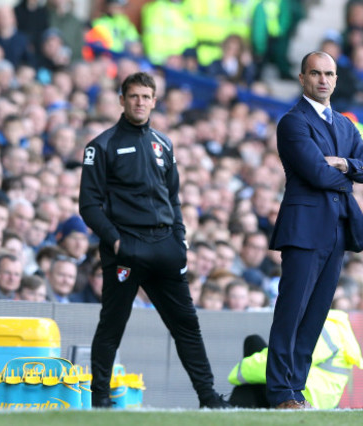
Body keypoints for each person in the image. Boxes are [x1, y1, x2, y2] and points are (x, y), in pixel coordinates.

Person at [78, 72, 230, 409]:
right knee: (113, 324)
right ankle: (100, 399)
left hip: (165, 247)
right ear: (122, 100)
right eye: (134, 96)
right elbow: (88, 205)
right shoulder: (101, 145)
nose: (140, 102)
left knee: (187, 323)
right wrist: (116, 242)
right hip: (127, 248)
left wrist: (180, 238)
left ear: (154, 101)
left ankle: (208, 397)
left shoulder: (163, 143)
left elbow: (173, 197)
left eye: (146, 97)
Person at [266, 51, 363, 409]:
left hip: (336, 230)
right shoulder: (293, 122)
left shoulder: (345, 125)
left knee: (315, 315)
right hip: (303, 229)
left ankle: (295, 390)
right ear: (302, 78)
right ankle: (280, 392)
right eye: (315, 73)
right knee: (292, 312)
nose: (323, 80)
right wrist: (350, 177)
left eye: (329, 73)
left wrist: (345, 163)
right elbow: (316, 173)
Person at [228, 308, 363, 409]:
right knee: (256, 346)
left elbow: (281, 365)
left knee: (254, 345)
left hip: (301, 401)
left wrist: (239, 371)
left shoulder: (324, 330)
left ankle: (230, 409)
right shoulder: (332, 327)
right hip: (318, 403)